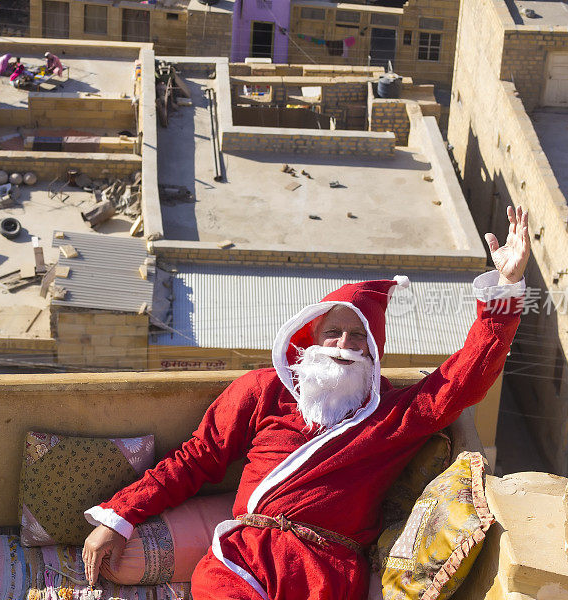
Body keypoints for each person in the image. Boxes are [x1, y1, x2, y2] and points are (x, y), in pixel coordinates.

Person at [83, 207, 531, 600]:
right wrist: (119, 517)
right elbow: (196, 458)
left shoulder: (393, 415)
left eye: (359, 337)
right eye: (333, 333)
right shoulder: (262, 390)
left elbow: (465, 379)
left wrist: (506, 290)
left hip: (328, 573)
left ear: (374, 352)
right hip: (242, 558)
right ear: (310, 338)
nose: (343, 345)